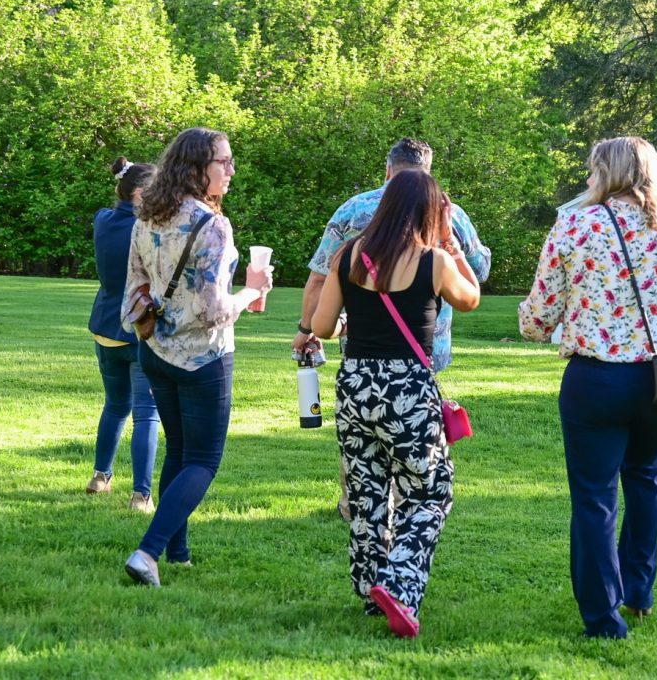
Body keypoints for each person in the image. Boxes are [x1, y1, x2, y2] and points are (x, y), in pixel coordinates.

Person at [519, 137, 657, 639]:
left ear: (606, 174)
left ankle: (603, 618)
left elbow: (538, 317)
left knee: (594, 497)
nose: (588, 179)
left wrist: (548, 320)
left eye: (592, 171)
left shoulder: (574, 226)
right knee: (646, 477)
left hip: (597, 379)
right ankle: (639, 593)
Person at [310, 169, 480, 639]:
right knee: (430, 490)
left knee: (366, 491)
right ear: (429, 214)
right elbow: (471, 300)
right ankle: (400, 585)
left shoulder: (349, 257)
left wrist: (356, 322)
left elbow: (322, 327)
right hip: (406, 390)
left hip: (356, 385)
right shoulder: (435, 262)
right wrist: (452, 245)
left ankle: (370, 588)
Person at [291, 138, 491, 519]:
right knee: (415, 438)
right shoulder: (451, 214)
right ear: (428, 173)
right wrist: (450, 242)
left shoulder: (353, 211)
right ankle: (403, 504)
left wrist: (307, 327)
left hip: (361, 351)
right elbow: (477, 277)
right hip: (423, 350)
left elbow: (320, 276)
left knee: (363, 433)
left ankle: (357, 501)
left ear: (387, 169)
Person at [120, 127, 272, 586]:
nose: (231, 170)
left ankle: (177, 551)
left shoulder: (148, 213)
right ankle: (148, 552)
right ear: (196, 168)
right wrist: (251, 291)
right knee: (203, 460)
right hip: (203, 359)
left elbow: (135, 285)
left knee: (181, 451)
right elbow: (212, 312)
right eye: (223, 162)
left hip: (156, 352)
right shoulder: (213, 225)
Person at [86, 156, 160, 513]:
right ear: (141, 194)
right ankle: (141, 495)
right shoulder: (147, 230)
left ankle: (101, 476)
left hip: (104, 328)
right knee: (147, 414)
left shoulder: (103, 220)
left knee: (115, 406)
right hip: (138, 331)